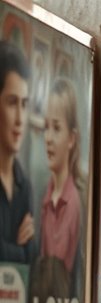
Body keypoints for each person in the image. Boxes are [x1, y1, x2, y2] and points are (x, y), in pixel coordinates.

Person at [39, 78, 82, 274]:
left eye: (56, 128)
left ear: (71, 139)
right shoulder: (45, 197)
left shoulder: (73, 203)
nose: (48, 138)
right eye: (46, 127)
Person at [0, 40, 34, 264]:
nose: (21, 119)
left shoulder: (25, 186)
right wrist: (18, 251)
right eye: (12, 103)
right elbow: (25, 255)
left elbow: (32, 257)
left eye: (24, 104)